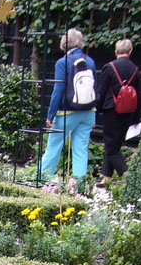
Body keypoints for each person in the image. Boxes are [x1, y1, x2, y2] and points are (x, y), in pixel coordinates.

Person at [39, 28, 97, 184]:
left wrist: (50, 115)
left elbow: (58, 90)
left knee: (54, 147)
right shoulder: (90, 61)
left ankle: (40, 180)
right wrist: (94, 113)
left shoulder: (62, 62)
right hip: (88, 111)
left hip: (67, 112)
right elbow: (94, 88)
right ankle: (79, 186)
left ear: (64, 43)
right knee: (80, 150)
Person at [96, 38, 141, 184]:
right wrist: (136, 118)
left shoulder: (109, 67)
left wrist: (95, 112)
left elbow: (101, 92)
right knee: (114, 145)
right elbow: (138, 95)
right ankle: (106, 178)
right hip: (128, 112)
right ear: (130, 51)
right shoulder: (135, 69)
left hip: (112, 111)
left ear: (116, 51)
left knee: (111, 148)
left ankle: (129, 178)